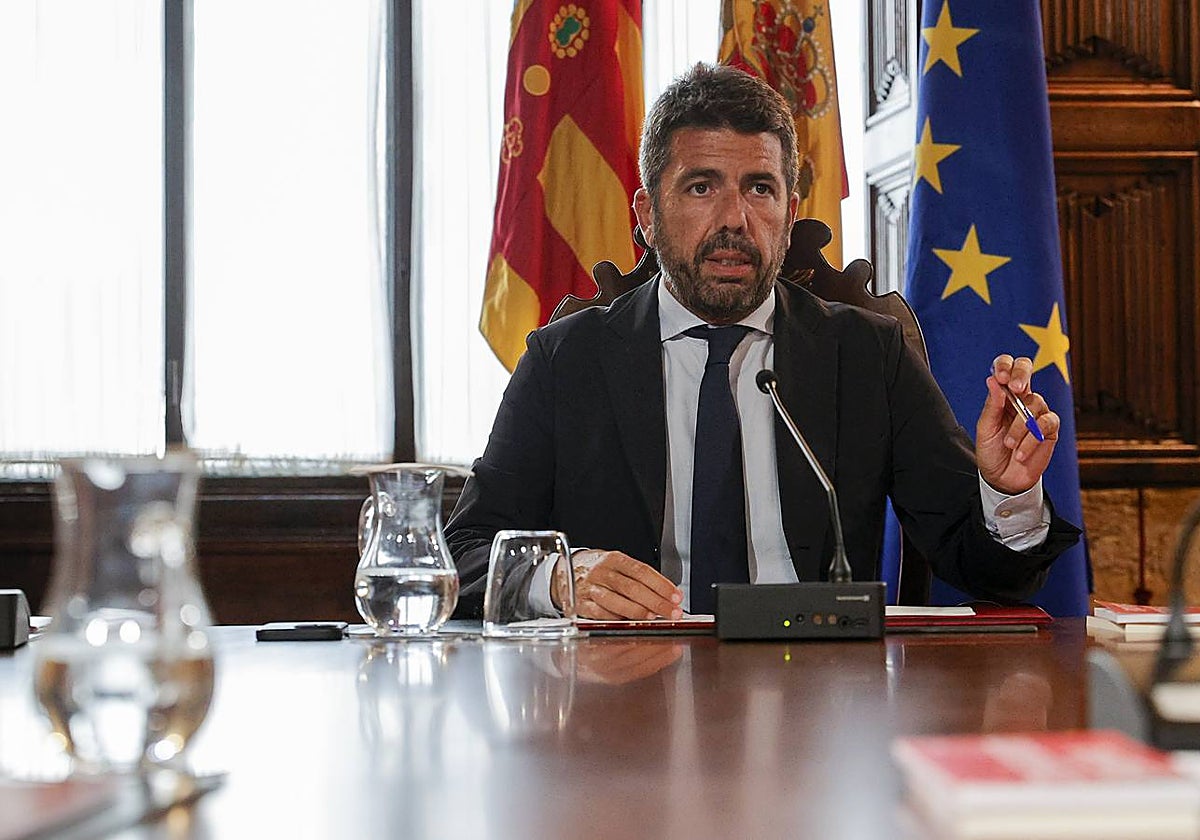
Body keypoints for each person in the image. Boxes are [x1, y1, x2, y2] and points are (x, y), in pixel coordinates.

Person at [446, 63, 1080, 620]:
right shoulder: (566, 361)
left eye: (760, 188)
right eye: (701, 187)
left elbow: (987, 572)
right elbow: (463, 551)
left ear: (790, 210)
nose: (734, 220)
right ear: (647, 215)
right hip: (626, 686)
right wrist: (560, 578)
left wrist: (1009, 494)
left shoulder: (868, 355)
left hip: (817, 687)